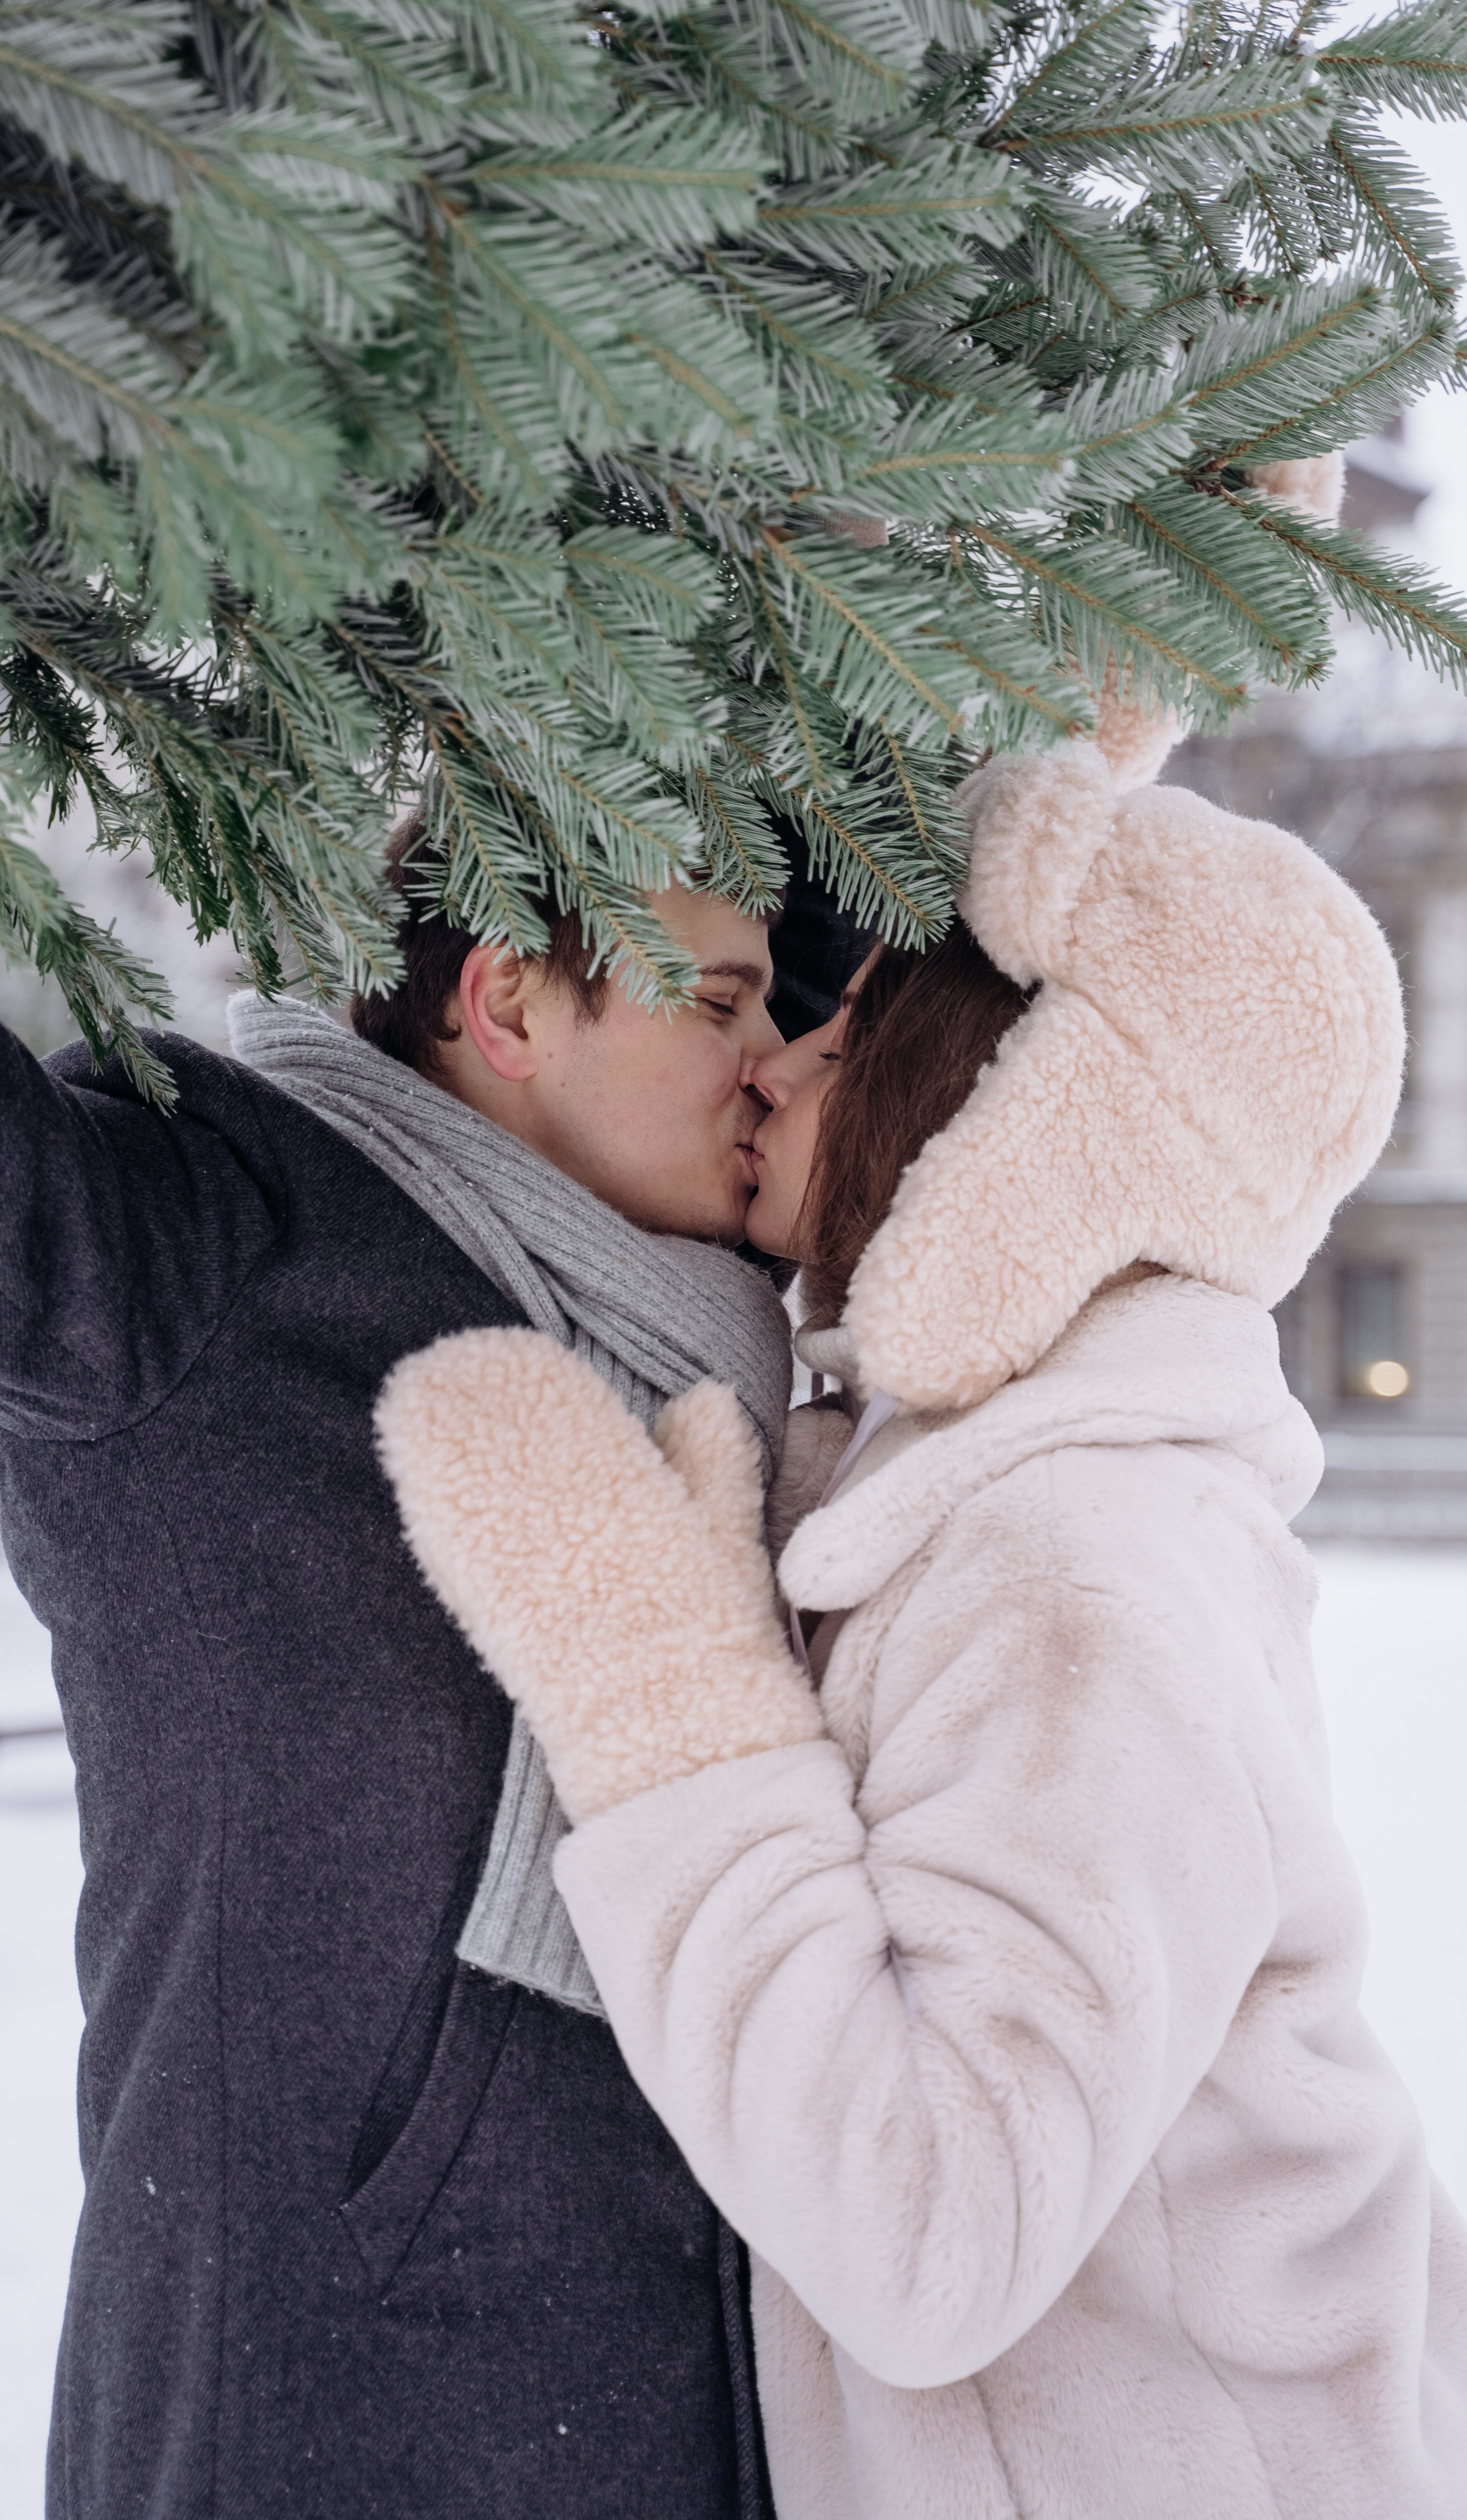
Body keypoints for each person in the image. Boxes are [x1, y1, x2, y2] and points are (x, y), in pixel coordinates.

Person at [377, 704, 1467, 2520]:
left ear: (1018, 1116)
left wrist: (663, 1699)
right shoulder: (978, 1481)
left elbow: (929, 2231)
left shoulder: (1084, 1566)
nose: (776, 1065)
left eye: (854, 1029)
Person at [0, 820, 794, 2520]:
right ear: (508, 998)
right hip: (313, 2427)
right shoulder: (202, 1241)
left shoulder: (728, 1374)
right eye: (720, 1001)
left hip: (689, 2423)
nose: (767, 1061)